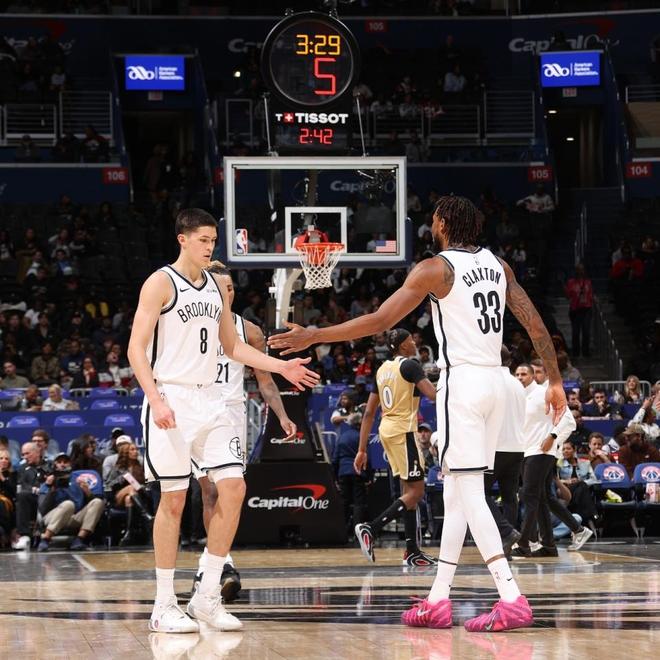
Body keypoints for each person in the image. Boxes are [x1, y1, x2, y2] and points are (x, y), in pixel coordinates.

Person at [270, 195, 569, 632]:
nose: (431, 224)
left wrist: (315, 335)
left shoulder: (436, 268)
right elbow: (536, 324)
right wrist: (555, 380)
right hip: (496, 382)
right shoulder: (499, 266)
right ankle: (438, 599)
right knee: (457, 491)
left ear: (444, 223)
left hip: (463, 384)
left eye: (433, 219)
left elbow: (379, 320)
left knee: (469, 491)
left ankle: (511, 597)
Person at [127, 208, 318, 634]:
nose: (209, 246)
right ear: (182, 239)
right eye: (202, 239)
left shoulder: (216, 287)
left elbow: (232, 347)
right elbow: (136, 348)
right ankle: (163, 604)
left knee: (234, 488)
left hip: (212, 399)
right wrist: (155, 399)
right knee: (174, 500)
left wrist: (280, 367)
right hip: (171, 396)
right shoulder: (160, 282)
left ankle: (207, 596)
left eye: (213, 240)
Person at [192, 262, 297, 603]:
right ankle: (221, 564)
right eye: (220, 288)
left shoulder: (249, 330)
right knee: (208, 492)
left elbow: (265, 381)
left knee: (229, 492)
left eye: (230, 288)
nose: (226, 293)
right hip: (197, 412)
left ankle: (212, 564)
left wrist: (282, 415)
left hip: (231, 415)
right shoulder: (190, 323)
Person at [354, 328, 438, 567]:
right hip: (404, 431)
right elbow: (433, 395)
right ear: (403, 345)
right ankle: (371, 528)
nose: (414, 343)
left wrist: (362, 449)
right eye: (411, 340)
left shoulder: (382, 370)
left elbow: (369, 413)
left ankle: (412, 551)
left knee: (407, 490)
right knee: (417, 492)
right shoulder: (411, 366)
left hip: (387, 430)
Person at [512, 364, 591, 559]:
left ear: (533, 376)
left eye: (524, 374)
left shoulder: (544, 392)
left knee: (529, 495)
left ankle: (525, 543)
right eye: (517, 374)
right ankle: (551, 543)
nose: (520, 377)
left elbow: (569, 421)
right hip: (527, 452)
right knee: (544, 497)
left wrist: (553, 438)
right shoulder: (518, 397)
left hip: (541, 452)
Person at [484, 346, 526, 556]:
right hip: (517, 447)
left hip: (496, 446)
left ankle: (506, 532)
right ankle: (506, 546)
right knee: (510, 497)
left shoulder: (490, 382)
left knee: (479, 493)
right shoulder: (517, 384)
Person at [37, 452, 105, 552]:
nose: (62, 464)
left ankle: (79, 539)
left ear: (70, 464)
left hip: (74, 517)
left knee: (98, 502)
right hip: (53, 517)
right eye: (59, 462)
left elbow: (91, 507)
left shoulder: (78, 479)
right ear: (55, 464)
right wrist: (50, 487)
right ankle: (46, 539)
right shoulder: (50, 480)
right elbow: (42, 508)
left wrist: (87, 492)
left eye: (65, 462)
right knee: (68, 504)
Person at [104, 440, 152, 546]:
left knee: (129, 498)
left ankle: (129, 532)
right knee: (130, 488)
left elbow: (147, 484)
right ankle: (146, 515)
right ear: (126, 452)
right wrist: (122, 478)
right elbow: (109, 484)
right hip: (118, 496)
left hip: (136, 497)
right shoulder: (118, 468)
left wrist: (141, 487)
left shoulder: (140, 467)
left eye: (136, 449)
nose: (136, 452)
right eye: (132, 450)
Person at [333, 411, 369, 538]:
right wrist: (368, 476)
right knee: (359, 503)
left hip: (343, 472)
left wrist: (335, 477)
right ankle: (357, 533)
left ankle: (341, 532)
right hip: (358, 472)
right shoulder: (361, 438)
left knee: (344, 502)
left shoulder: (342, 437)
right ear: (360, 424)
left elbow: (335, 459)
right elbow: (367, 459)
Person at [11, 441, 51, 550]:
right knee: (22, 495)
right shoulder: (22, 469)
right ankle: (24, 536)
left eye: (27, 453)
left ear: (37, 452)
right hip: (31, 500)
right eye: (23, 454)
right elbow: (21, 486)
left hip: (48, 499)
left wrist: (42, 488)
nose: (25, 457)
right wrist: (36, 489)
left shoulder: (49, 466)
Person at [565, 263, 593, 359]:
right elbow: (568, 296)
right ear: (576, 271)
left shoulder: (588, 282)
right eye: (578, 269)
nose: (580, 271)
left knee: (586, 331)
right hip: (575, 309)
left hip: (586, 309)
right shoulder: (571, 282)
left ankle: (586, 352)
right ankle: (576, 352)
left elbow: (590, 294)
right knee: (575, 332)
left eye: (582, 269)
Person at [0, 448, 17, 548]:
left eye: (6, 458)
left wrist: (2, 478)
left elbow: (14, 491)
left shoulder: (13, 475)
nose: (4, 460)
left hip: (8, 503)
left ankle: (5, 533)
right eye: (1, 458)